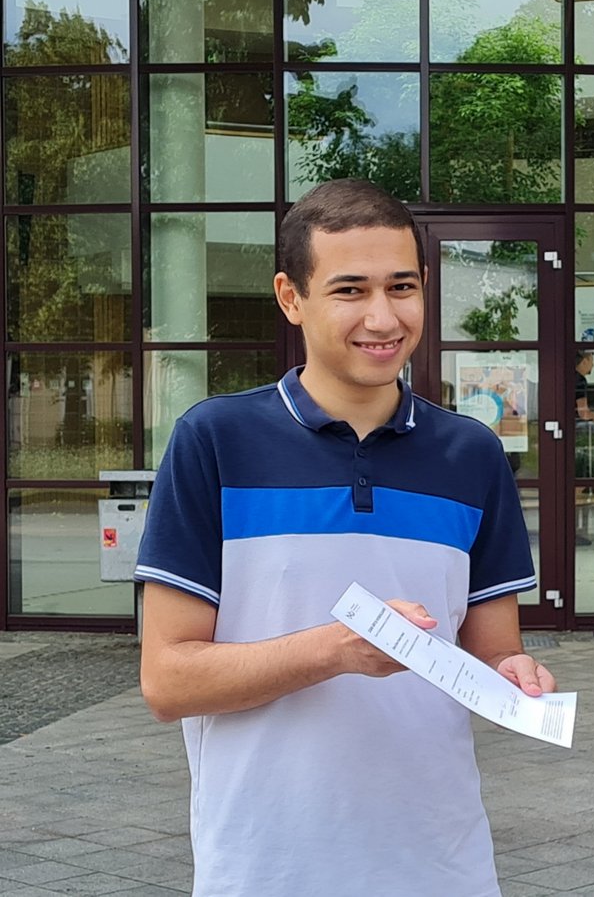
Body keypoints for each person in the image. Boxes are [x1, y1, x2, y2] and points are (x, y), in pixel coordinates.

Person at [135, 179, 556, 897]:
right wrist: (336, 650)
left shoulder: (472, 454)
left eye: (401, 287)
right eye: (350, 291)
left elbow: (494, 652)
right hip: (265, 865)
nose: (383, 317)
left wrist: (515, 677)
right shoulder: (215, 440)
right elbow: (168, 681)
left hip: (440, 863)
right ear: (291, 297)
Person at [573, 350, 594, 545]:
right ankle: (575, 529)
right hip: (578, 437)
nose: (593, 365)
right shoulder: (579, 380)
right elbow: (583, 413)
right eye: (592, 361)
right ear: (584, 361)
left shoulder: (564, 376)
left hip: (566, 435)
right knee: (579, 482)